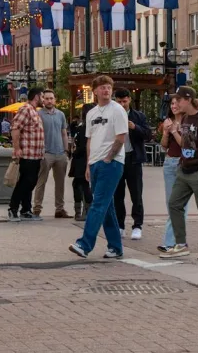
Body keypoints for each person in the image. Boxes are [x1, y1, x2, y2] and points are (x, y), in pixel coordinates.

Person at [68, 76, 128, 259]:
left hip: (112, 162)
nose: (106, 91)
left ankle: (84, 244)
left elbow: (121, 137)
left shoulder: (117, 110)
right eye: (102, 88)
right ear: (94, 91)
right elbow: (89, 140)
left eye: (109, 87)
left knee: (97, 204)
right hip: (94, 163)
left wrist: (109, 157)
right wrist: (88, 164)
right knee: (106, 206)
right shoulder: (91, 113)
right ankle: (116, 247)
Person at [161, 86, 198, 261]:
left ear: (188, 100)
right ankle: (180, 244)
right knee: (174, 204)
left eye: (179, 100)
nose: (176, 103)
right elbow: (185, 143)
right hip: (184, 169)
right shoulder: (187, 119)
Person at [112, 89, 149, 240]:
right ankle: (120, 225)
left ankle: (137, 225)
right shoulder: (112, 115)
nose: (122, 104)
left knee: (136, 194)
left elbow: (147, 134)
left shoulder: (138, 116)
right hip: (117, 159)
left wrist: (135, 127)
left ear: (129, 100)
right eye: (119, 102)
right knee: (117, 195)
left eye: (124, 101)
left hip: (133, 159)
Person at [8, 88, 45, 222]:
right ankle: (13, 209)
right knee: (26, 182)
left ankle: (26, 210)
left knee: (30, 182)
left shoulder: (35, 111)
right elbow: (15, 127)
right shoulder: (26, 109)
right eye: (42, 96)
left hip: (36, 154)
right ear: (36, 97)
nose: (44, 99)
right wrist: (17, 148)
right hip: (27, 154)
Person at [33, 90, 71, 220]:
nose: (49, 101)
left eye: (51, 98)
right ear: (43, 100)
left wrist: (66, 151)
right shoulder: (38, 114)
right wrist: (40, 150)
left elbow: (64, 133)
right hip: (45, 153)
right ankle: (36, 209)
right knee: (41, 182)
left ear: (55, 100)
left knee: (60, 183)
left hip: (60, 153)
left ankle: (59, 209)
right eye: (47, 98)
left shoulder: (61, 114)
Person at [156, 100, 187, 254]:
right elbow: (163, 145)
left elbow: (186, 145)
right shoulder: (168, 121)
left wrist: (175, 131)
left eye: (177, 103)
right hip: (169, 163)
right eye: (172, 104)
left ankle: (172, 242)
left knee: (180, 204)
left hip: (183, 164)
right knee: (171, 203)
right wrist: (166, 133)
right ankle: (176, 241)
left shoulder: (189, 123)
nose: (174, 106)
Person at [68, 106, 92, 221]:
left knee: (83, 184)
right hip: (79, 160)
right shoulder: (81, 127)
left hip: (83, 159)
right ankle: (80, 210)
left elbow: (84, 146)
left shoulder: (86, 128)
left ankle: (86, 211)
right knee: (78, 184)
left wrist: (75, 151)